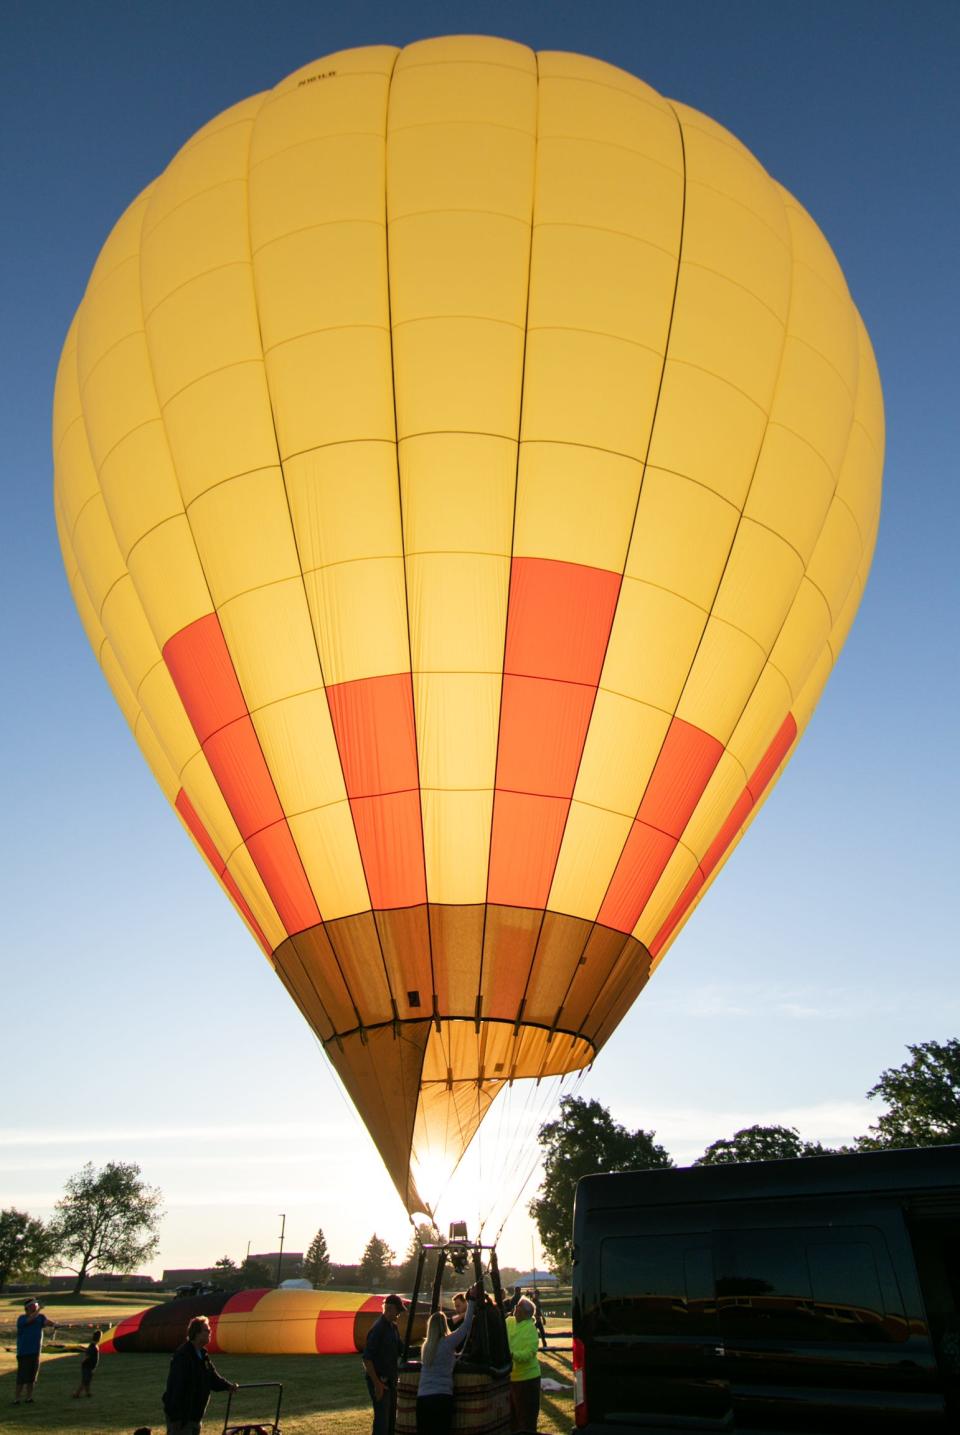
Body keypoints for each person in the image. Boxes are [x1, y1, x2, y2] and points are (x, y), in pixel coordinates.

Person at [416, 1285, 477, 1434]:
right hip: (441, 1397)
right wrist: (472, 1301)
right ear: (443, 1325)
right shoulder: (448, 1342)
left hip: (423, 1398)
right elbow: (467, 1325)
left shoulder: (425, 1347)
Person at [162, 1315, 237, 1434]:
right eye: (206, 1330)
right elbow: (176, 1387)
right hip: (182, 1417)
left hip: (195, 1416)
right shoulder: (183, 1356)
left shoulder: (203, 1354)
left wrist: (228, 1386)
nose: (210, 1332)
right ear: (196, 1333)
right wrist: (176, 1418)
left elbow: (213, 1378)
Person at [361, 1292, 405, 1435]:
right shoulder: (378, 1328)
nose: (398, 1315)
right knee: (382, 1422)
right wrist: (377, 1384)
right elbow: (367, 1358)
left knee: (391, 1420)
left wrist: (426, 1348)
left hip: (391, 1380)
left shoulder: (393, 1327)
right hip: (380, 1380)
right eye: (398, 1311)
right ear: (390, 1309)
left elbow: (402, 1350)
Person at [505, 1296, 541, 1433]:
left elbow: (529, 1353)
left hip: (528, 1380)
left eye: (518, 1306)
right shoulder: (508, 1321)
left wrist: (512, 1355)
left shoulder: (531, 1329)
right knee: (512, 1420)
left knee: (526, 1421)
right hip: (512, 1378)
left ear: (525, 1312)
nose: (515, 1307)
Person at [13, 1298, 56, 1405]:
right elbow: (30, 1320)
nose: (36, 1305)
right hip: (24, 1352)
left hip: (35, 1351)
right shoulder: (22, 1319)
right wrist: (39, 1310)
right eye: (34, 1304)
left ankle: (29, 1397)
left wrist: (54, 1324)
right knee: (22, 1377)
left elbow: (47, 1322)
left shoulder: (40, 1317)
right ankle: (17, 1398)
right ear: (28, 1307)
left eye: (36, 1304)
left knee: (32, 1377)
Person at [72, 1327, 102, 1398]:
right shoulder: (92, 1346)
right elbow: (87, 1356)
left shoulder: (95, 1346)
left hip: (91, 1366)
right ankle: (77, 1394)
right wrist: (83, 1361)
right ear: (98, 1338)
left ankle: (88, 1393)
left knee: (88, 1380)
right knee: (85, 1381)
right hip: (87, 1366)